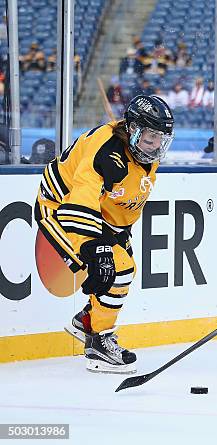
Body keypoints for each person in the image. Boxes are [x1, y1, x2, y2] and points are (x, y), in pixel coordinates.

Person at [34, 95, 174, 374]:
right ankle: (98, 343)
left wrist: (117, 236)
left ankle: (88, 321)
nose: (156, 146)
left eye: (161, 139)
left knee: (124, 270)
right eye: (150, 138)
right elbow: (81, 198)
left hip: (103, 216)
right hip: (62, 209)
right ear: (132, 129)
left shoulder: (141, 151)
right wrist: (94, 248)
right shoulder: (106, 150)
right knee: (116, 269)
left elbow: (126, 193)